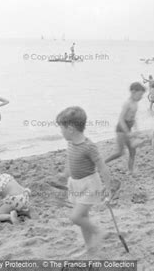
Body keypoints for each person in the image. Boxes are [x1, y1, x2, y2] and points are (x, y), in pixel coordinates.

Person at [56, 106, 113, 254]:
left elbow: (102, 167)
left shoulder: (88, 146)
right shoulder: (70, 143)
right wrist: (65, 173)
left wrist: (108, 187)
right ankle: (90, 247)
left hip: (90, 185)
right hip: (75, 184)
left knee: (75, 217)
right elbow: (70, 160)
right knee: (83, 217)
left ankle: (99, 231)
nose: (60, 131)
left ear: (70, 129)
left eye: (61, 128)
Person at [105, 82, 146, 173]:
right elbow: (121, 119)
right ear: (133, 92)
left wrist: (137, 130)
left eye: (142, 95)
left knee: (132, 150)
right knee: (120, 152)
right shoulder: (127, 103)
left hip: (128, 128)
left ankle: (130, 170)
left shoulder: (135, 103)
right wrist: (127, 132)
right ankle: (102, 163)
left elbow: (133, 118)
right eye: (140, 95)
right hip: (121, 129)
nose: (141, 97)